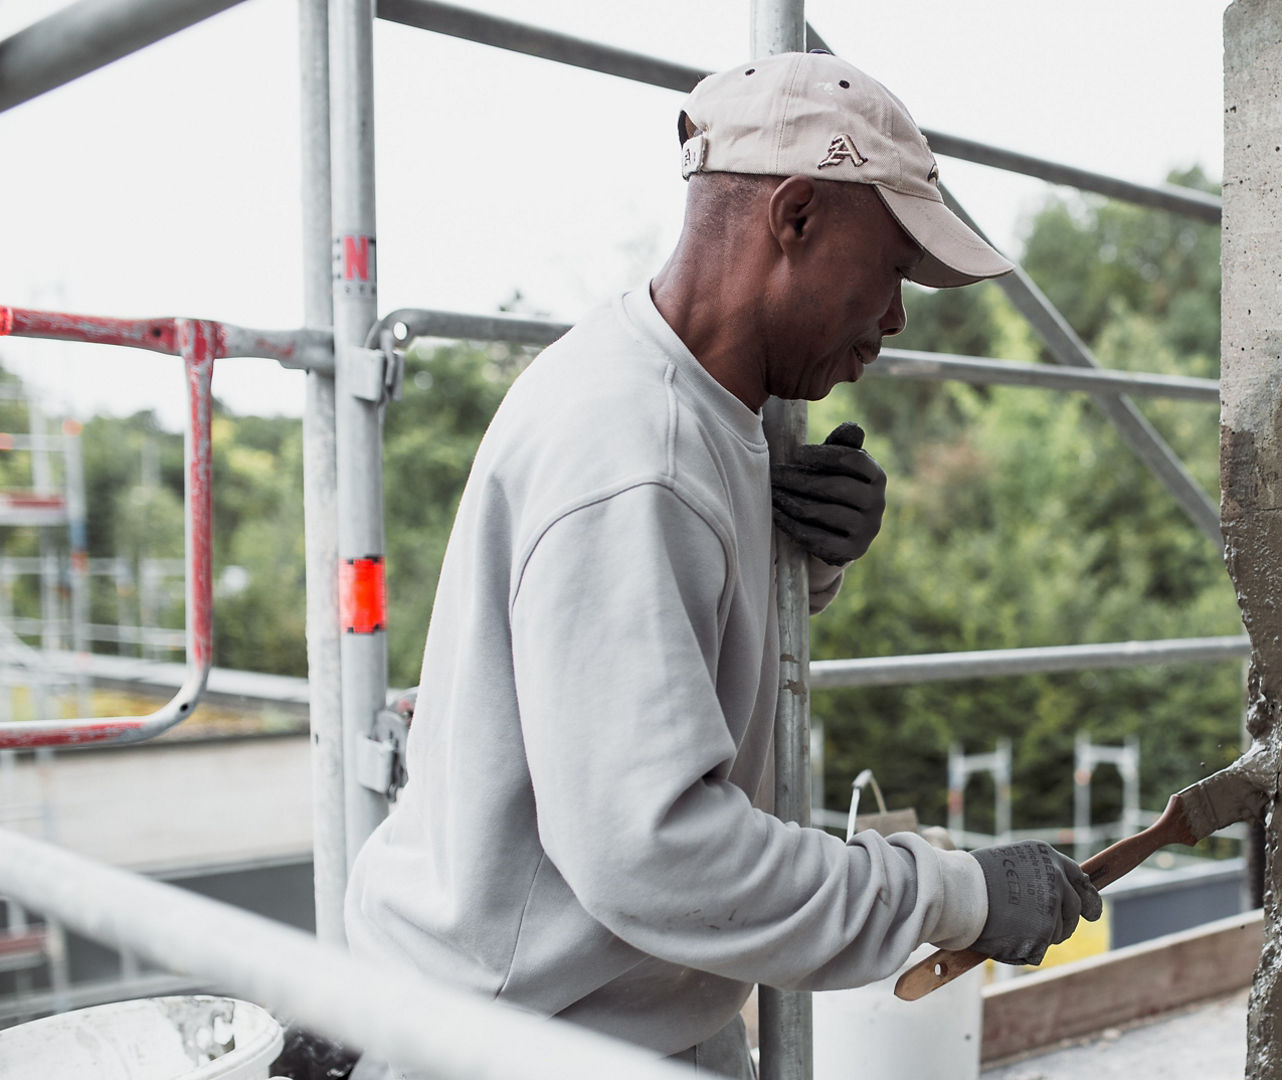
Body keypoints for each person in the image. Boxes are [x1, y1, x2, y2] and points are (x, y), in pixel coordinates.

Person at [342, 51, 1100, 1077]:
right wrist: (950, 893)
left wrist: (801, 560)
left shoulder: (697, 400)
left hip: (586, 1011)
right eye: (889, 273)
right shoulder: (633, 447)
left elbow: (664, 654)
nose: (895, 318)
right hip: (526, 1040)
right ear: (794, 218)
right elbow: (652, 851)